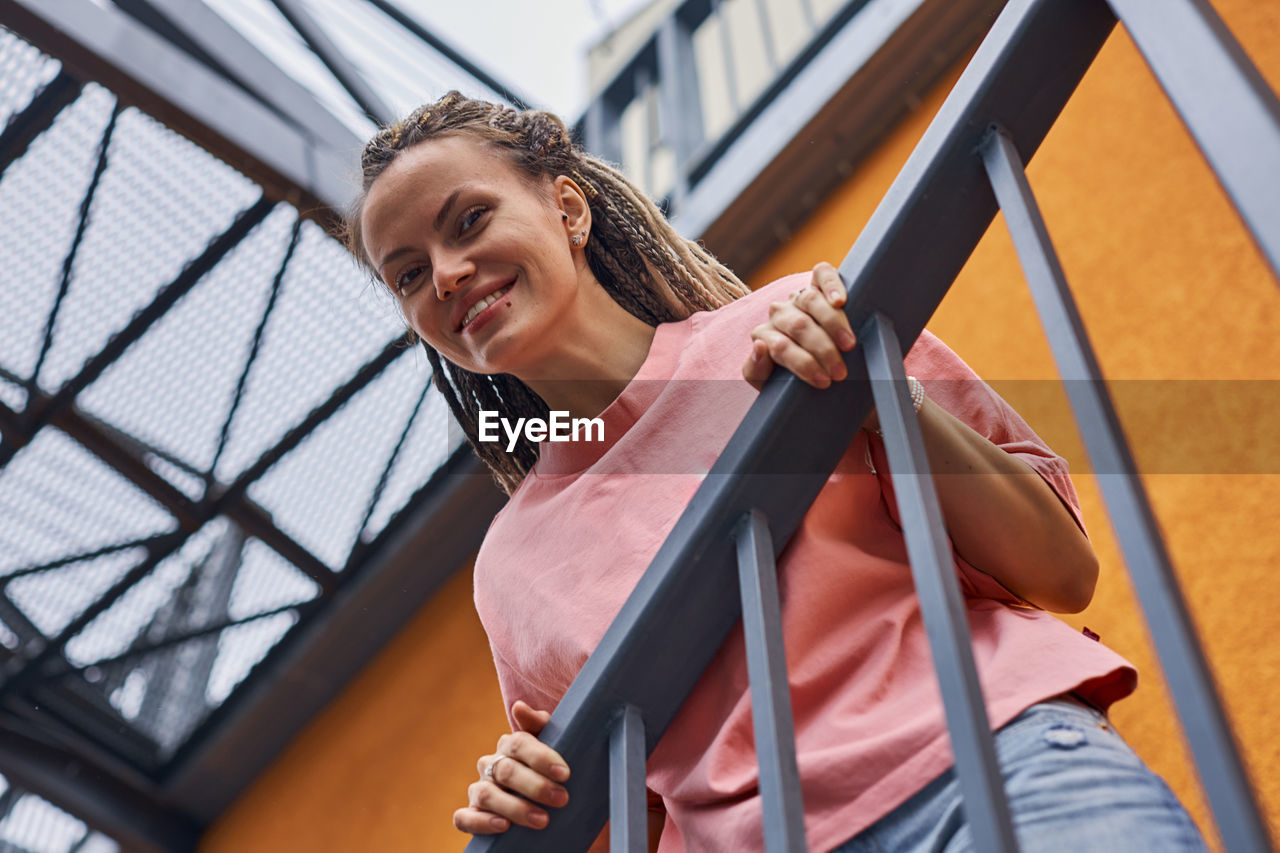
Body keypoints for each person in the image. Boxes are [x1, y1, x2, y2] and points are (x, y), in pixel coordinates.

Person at [343, 92, 1208, 852]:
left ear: (568, 208)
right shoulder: (511, 566)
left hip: (997, 762)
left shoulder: (796, 321)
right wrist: (534, 798)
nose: (448, 276)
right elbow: (629, 818)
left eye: (468, 221)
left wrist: (874, 397)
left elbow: (1062, 569)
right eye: (410, 273)